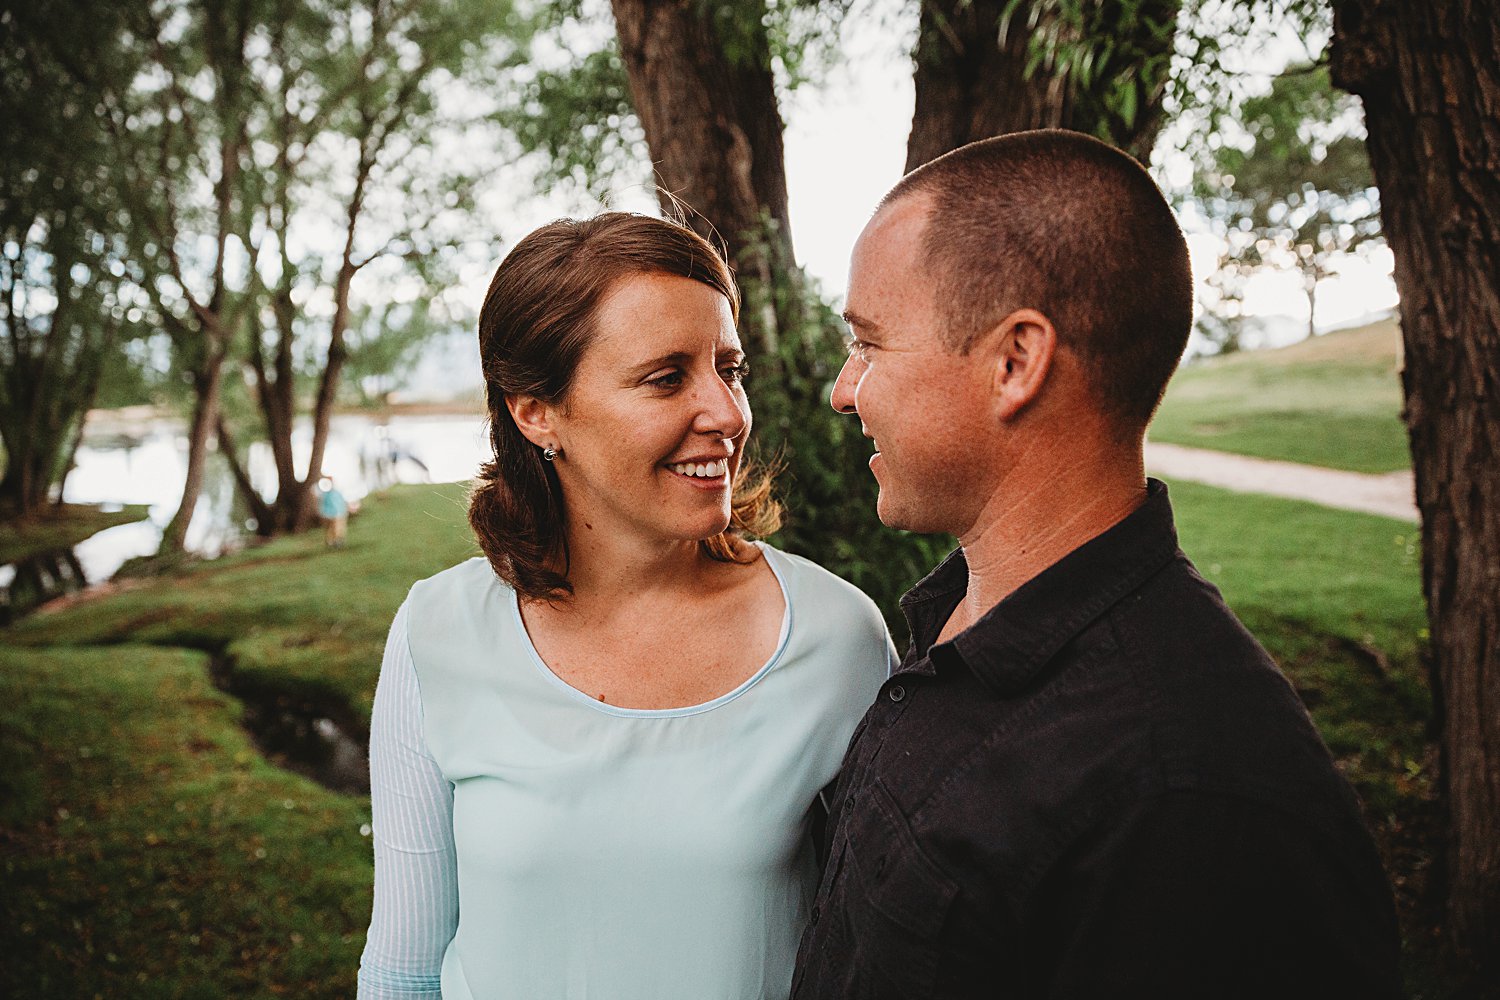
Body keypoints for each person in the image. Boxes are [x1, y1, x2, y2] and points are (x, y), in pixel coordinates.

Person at [790, 130, 1403, 998]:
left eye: (871, 344)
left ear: (1015, 362)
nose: (843, 389)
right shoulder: (961, 631)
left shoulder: (1187, 802)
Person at [356, 213, 895, 1000]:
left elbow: (876, 959)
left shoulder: (836, 637)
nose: (727, 413)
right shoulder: (435, 634)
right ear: (536, 411)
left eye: (729, 368)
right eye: (666, 377)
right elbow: (404, 971)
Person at [318, 476, 349, 548]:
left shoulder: (337, 492)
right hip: (329, 514)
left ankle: (338, 541)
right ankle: (331, 541)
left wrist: (345, 510)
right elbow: (322, 504)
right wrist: (323, 513)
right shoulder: (324, 494)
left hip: (339, 513)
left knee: (339, 528)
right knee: (330, 529)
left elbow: (342, 502)